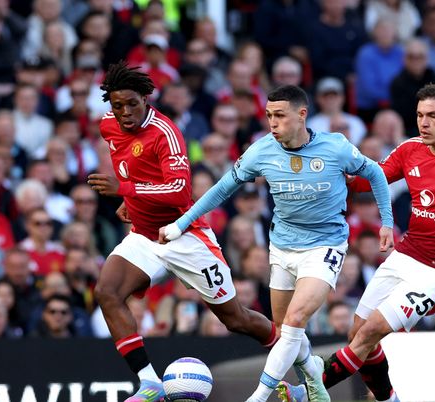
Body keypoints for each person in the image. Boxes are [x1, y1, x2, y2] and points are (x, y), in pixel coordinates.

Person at [160, 84, 394, 402]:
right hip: (281, 248)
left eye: (279, 115)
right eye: (269, 115)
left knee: (296, 321)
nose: (272, 123)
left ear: (301, 115)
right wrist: (181, 223)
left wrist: (387, 223)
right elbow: (221, 188)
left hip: (324, 246)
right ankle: (313, 378)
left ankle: (259, 395)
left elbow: (377, 175)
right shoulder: (261, 151)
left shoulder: (336, 147)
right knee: (286, 331)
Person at [277, 84, 435, 402]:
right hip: (406, 254)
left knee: (370, 332)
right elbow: (370, 179)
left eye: (433, 116)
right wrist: (330, 168)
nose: (424, 123)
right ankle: (389, 400)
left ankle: (307, 392)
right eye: (420, 115)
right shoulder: (410, 149)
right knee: (357, 333)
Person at [87, 62, 276, 402]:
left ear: (147, 99)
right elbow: (135, 168)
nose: (126, 112)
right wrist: (134, 203)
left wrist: (127, 190)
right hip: (145, 235)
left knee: (236, 319)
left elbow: (179, 191)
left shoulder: (165, 133)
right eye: (118, 106)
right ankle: (150, 384)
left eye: (133, 103)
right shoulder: (107, 127)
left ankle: (293, 354)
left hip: (182, 235)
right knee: (107, 291)